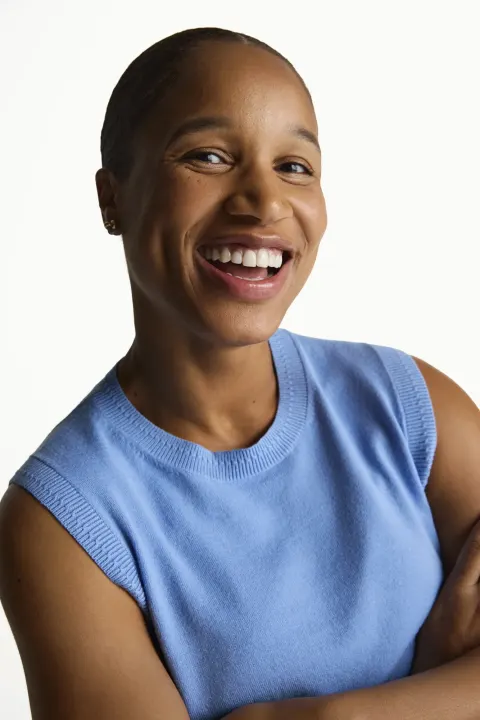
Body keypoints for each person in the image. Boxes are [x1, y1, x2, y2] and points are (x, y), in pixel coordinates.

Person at [1, 26, 480, 720]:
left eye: (294, 166)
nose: (263, 201)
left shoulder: (410, 407)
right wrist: (441, 685)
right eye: (209, 156)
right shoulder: (64, 522)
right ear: (113, 198)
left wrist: (325, 717)